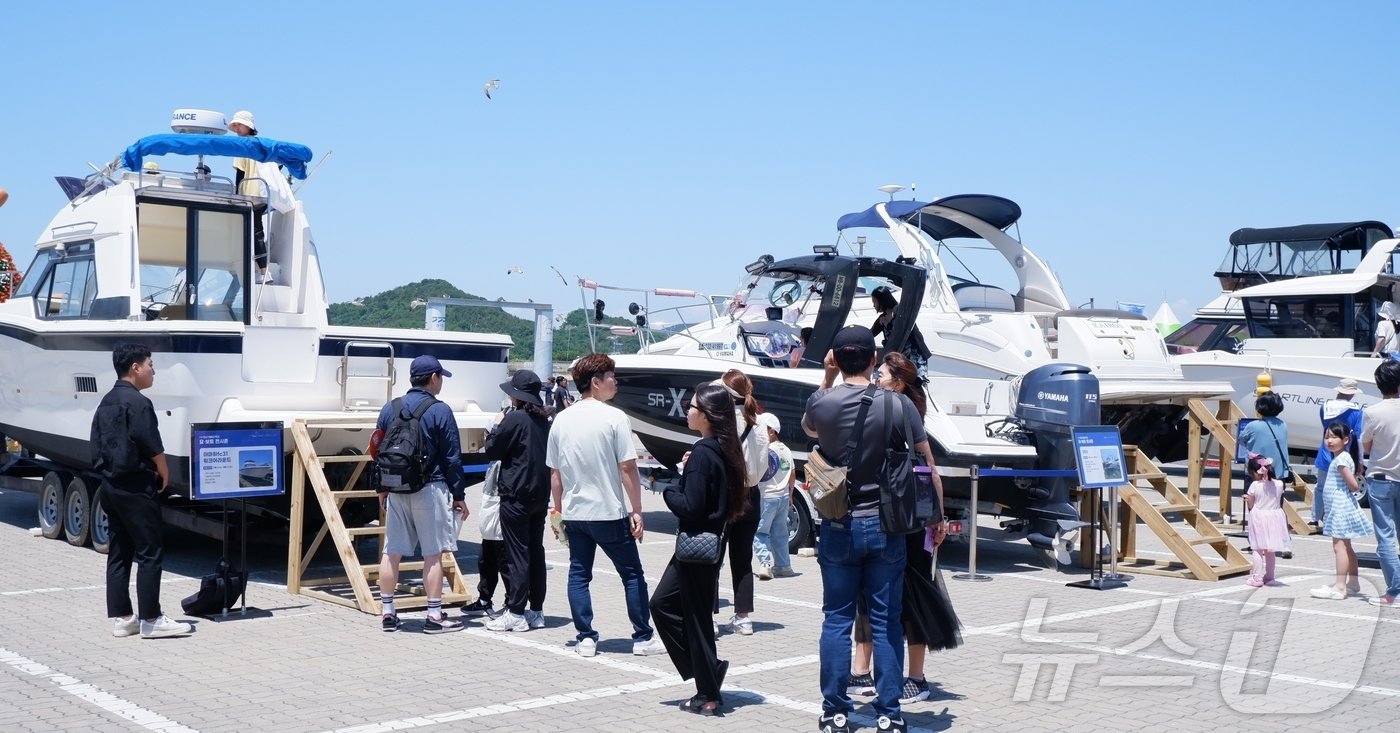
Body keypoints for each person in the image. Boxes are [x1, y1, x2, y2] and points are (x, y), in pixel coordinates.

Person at [803, 326, 928, 733]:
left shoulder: (821, 402)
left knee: (836, 619)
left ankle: (834, 709)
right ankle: (890, 713)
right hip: (887, 524)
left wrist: (826, 378)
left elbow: (810, 430)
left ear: (835, 359)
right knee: (887, 620)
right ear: (875, 360)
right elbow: (918, 452)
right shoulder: (899, 405)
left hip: (838, 523)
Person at [848, 351, 954, 705]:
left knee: (915, 595)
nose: (876, 378)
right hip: (887, 514)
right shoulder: (874, 407)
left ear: (899, 382)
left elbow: (929, 467)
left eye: (882, 374)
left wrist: (938, 517)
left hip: (911, 517)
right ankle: (861, 671)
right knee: (871, 593)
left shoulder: (907, 413)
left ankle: (917, 677)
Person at [547, 353, 666, 657]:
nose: (616, 381)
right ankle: (642, 637)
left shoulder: (561, 419)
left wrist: (557, 509)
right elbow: (628, 468)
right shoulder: (615, 417)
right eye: (612, 376)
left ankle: (585, 637)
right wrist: (637, 509)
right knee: (631, 574)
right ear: (596, 382)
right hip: (608, 512)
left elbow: (555, 472)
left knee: (578, 574)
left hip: (575, 513)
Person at [649, 382, 750, 717]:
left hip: (695, 544)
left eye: (693, 406)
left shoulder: (705, 452)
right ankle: (708, 673)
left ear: (707, 415)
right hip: (708, 545)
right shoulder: (722, 448)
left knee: (685, 614)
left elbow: (690, 505)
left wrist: (666, 490)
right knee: (675, 608)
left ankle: (708, 691)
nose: (687, 410)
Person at [90, 343, 192, 639]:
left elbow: (95, 443)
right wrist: (164, 469)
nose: (153, 370)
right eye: (150, 364)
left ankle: (124, 619)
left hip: (109, 484)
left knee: (120, 551)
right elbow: (149, 441)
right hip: (135, 485)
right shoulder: (138, 403)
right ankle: (151, 618)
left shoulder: (107, 401)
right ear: (135, 367)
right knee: (150, 551)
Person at [375, 355, 468, 634]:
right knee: (433, 555)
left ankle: (388, 612)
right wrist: (459, 494)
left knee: (391, 552)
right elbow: (452, 457)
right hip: (430, 488)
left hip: (396, 488)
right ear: (433, 378)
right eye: (441, 377)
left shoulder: (390, 408)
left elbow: (377, 449)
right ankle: (434, 616)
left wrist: (381, 488)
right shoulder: (440, 410)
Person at [485, 370, 553, 632]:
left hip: (516, 494)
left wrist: (494, 426)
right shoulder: (543, 420)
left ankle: (515, 612)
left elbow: (493, 449)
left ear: (516, 395)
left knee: (517, 554)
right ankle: (536, 610)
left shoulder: (514, 418)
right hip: (539, 493)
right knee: (535, 551)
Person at [713, 369, 768, 636]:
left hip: (724, 495)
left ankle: (709, 616)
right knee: (742, 559)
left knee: (712, 557)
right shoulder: (759, 424)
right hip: (752, 494)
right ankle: (743, 617)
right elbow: (763, 467)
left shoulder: (720, 423)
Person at [1309, 422, 1371, 600]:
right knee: (1347, 547)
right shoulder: (1341, 457)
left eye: (1334, 437)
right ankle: (1353, 583)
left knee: (1339, 548)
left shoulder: (1341, 459)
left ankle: (1340, 586)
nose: (1329, 440)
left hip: (1340, 507)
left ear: (1345, 440)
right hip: (1340, 506)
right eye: (1327, 437)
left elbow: (1353, 485)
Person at [1362, 359, 1400, 608]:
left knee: (1386, 537)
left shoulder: (1372, 412)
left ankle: (1394, 592)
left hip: (1380, 478)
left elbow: (1366, 446)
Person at [228, 110, 271, 283]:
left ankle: (260, 271)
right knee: (257, 232)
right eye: (235, 125)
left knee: (247, 233)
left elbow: (240, 174)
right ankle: (263, 270)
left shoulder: (242, 147)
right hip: (263, 194)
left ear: (248, 126)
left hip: (248, 194)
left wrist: (236, 197)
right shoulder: (262, 145)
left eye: (239, 125)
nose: (236, 128)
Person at [752, 411, 796, 580]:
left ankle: (765, 564)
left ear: (772, 431)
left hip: (767, 495)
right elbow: (792, 473)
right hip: (783, 496)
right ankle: (784, 566)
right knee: (780, 533)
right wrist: (791, 493)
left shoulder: (766, 449)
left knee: (760, 532)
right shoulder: (786, 449)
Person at [1243, 454, 1290, 587]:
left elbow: (1251, 505)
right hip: (1275, 516)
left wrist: (1248, 498)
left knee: (1257, 548)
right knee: (1271, 549)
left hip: (1259, 517)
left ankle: (1256, 577)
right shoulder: (1279, 484)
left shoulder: (1254, 485)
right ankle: (1270, 577)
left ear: (1253, 472)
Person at [869, 286, 931, 374]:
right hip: (901, 358)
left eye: (875, 302)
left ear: (882, 301)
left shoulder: (901, 311)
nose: (874, 305)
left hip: (915, 355)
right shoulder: (882, 318)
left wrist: (888, 324)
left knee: (917, 383)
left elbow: (901, 331)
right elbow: (871, 333)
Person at [1315, 377, 1363, 480]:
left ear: (1338, 391)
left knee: (1320, 489)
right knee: (1341, 489)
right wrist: (1360, 461)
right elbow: (1358, 439)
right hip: (1344, 458)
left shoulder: (1325, 407)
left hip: (1325, 455)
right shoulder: (1356, 412)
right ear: (1352, 394)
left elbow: (1325, 427)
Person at [1239, 391, 1290, 482]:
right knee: (1277, 496)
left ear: (1259, 407)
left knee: (1252, 496)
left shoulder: (1252, 426)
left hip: (1256, 473)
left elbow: (1242, 441)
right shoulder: (1283, 425)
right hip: (1278, 474)